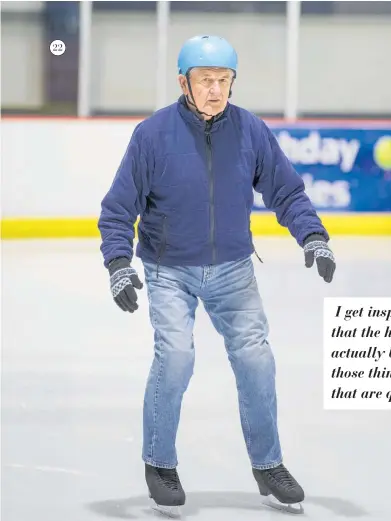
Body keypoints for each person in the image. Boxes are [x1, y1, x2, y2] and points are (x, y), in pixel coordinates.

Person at [98, 35, 336, 516]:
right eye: (205, 80)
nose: (215, 89)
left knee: (257, 359)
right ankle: (159, 463)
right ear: (184, 83)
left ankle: (268, 465)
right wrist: (119, 265)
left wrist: (313, 236)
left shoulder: (249, 130)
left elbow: (286, 192)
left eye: (223, 80)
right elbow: (118, 210)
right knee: (177, 357)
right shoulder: (153, 134)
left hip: (232, 268)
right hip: (168, 271)